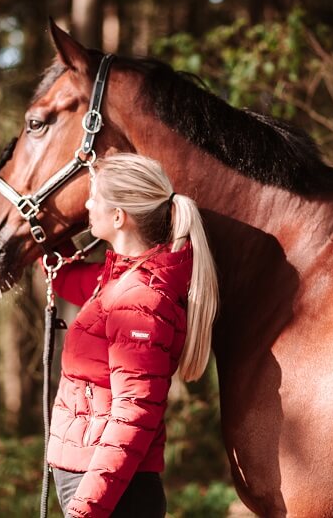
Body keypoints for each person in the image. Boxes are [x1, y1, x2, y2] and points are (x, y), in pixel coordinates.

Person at [45, 153, 218, 518]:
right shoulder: (116, 283)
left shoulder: (139, 299)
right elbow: (63, 276)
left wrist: (84, 510)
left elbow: (134, 415)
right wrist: (39, 216)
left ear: (119, 216)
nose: (87, 205)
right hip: (99, 487)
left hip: (111, 496)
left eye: (93, 196)